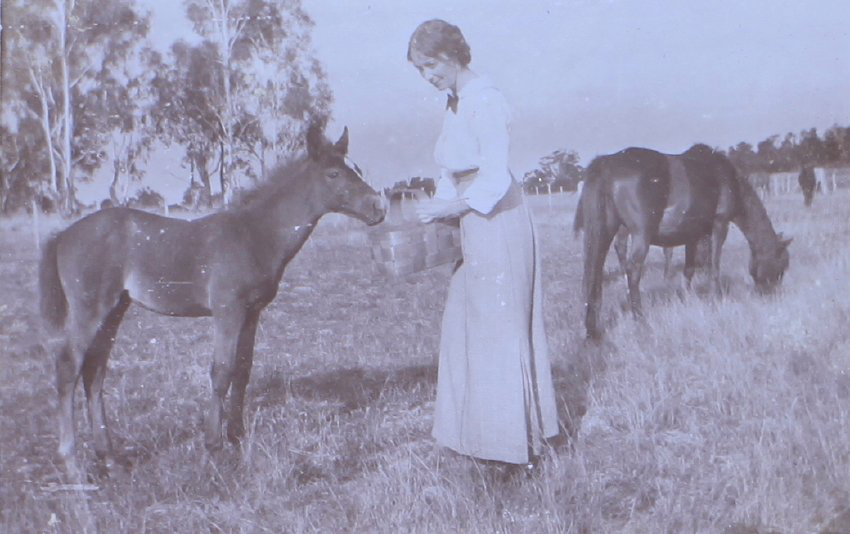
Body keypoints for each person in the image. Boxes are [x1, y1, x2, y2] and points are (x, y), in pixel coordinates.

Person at [408, 19, 559, 467]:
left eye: (430, 65)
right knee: (466, 324)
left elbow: (493, 177)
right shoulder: (455, 104)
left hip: (496, 220)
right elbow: (450, 172)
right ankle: (478, 437)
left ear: (453, 56)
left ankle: (514, 448)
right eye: (419, 70)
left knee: (499, 328)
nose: (427, 77)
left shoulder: (486, 101)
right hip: (470, 220)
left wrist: (446, 210)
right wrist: (437, 209)